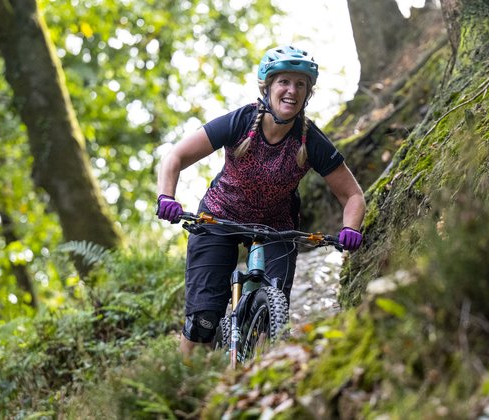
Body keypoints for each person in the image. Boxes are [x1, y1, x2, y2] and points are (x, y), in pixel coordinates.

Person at [155, 45, 367, 356]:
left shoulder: (311, 141)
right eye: (284, 82)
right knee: (202, 321)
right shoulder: (240, 122)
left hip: (276, 228)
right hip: (218, 218)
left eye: (300, 84)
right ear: (267, 87)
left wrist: (351, 228)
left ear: (308, 93)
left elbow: (352, 195)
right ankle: (183, 392)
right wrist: (166, 196)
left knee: (272, 324)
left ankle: (257, 376)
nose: (291, 90)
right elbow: (176, 155)